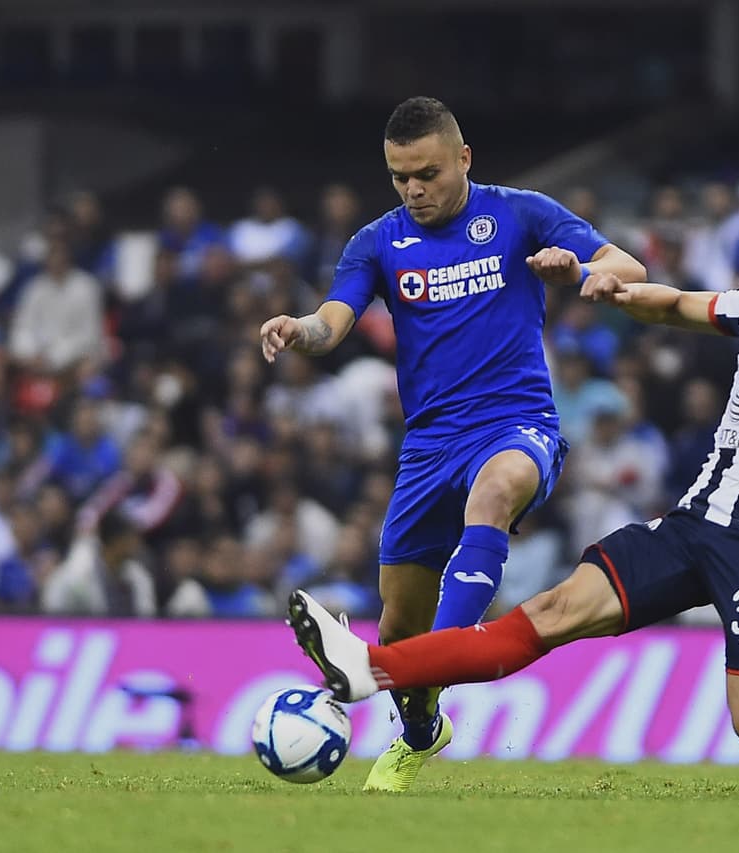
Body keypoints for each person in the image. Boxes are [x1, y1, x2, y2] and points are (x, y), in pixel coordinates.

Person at [287, 203, 739, 801]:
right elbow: (676, 302)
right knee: (552, 612)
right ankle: (370, 668)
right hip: (689, 524)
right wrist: (595, 281)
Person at [259, 96, 646, 791]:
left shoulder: (521, 213)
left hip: (515, 423)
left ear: (463, 158)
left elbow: (630, 266)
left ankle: (432, 662)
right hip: (428, 447)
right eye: (400, 176)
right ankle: (420, 727)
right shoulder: (378, 241)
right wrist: (299, 328)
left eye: (428, 173)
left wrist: (581, 274)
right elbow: (333, 319)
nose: (415, 189)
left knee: (495, 493)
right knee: (398, 620)